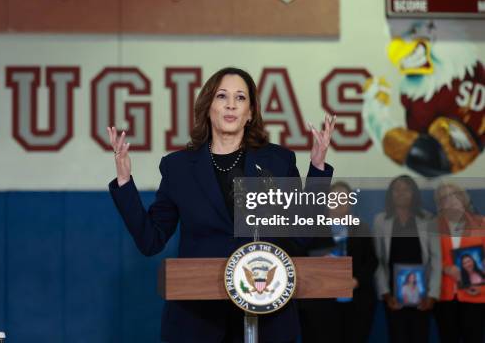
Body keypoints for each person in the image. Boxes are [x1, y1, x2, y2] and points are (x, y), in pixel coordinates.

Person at [107, 67, 335, 343]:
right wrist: (124, 181)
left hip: (266, 316)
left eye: (240, 98)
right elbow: (150, 240)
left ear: (250, 112)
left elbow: (301, 237)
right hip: (198, 319)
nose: (230, 104)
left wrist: (318, 169)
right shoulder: (178, 168)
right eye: (222, 96)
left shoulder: (278, 162)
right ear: (208, 107)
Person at [299, 181, 377, 343]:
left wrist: (356, 281)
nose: (339, 202)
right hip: (321, 304)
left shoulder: (361, 228)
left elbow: (371, 260)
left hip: (356, 301)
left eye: (344, 198)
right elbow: (303, 259)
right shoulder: (312, 228)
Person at [373, 175, 441, 343]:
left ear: (414, 193)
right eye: (396, 189)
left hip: (422, 294)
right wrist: (386, 294)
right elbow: (378, 260)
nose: (401, 193)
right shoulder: (380, 221)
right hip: (393, 295)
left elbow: (436, 259)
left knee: (420, 337)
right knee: (397, 337)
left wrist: (432, 295)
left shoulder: (428, 219)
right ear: (390, 194)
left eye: (406, 189)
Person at [434, 182, 485, 343]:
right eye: (444, 197)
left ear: (463, 198)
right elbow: (427, 258)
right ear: (440, 204)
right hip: (445, 296)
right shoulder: (432, 226)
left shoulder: (481, 223)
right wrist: (445, 268)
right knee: (448, 338)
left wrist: (481, 286)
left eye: (454, 194)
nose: (450, 200)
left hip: (476, 293)